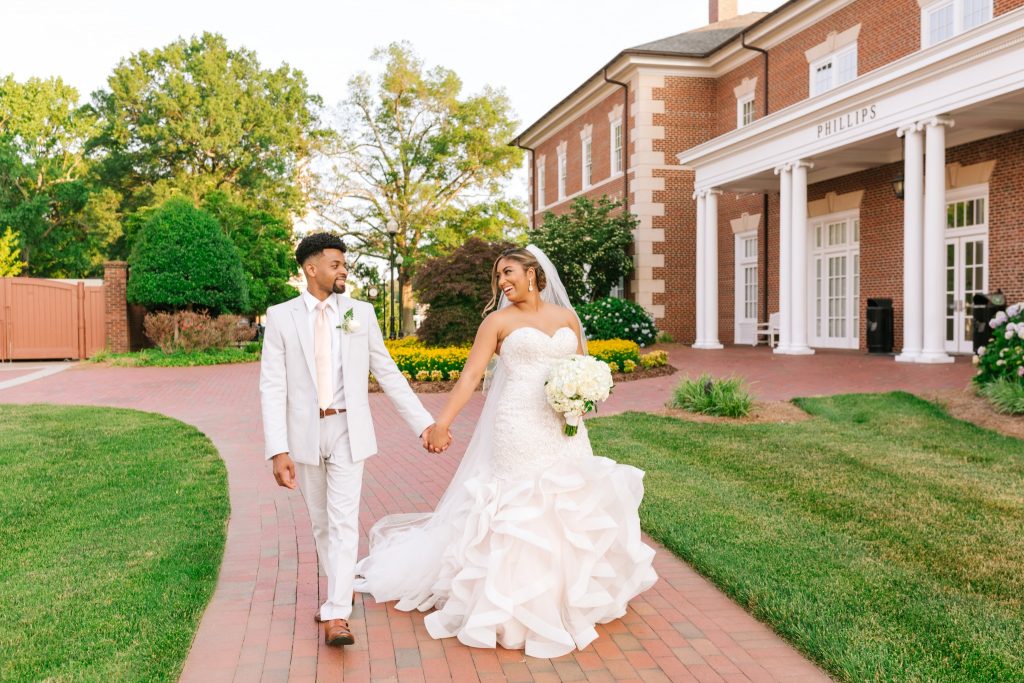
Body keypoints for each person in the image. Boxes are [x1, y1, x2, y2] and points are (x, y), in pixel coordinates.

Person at [355, 245, 657, 658]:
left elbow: (583, 367)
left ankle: (569, 596)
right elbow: (470, 377)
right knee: (519, 508)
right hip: (517, 424)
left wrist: (584, 395)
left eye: (508, 272)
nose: (502, 283)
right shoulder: (496, 322)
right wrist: (441, 423)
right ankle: (513, 605)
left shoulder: (568, 318)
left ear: (533, 273)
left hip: (563, 426)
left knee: (568, 504)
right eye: (498, 277)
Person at [259, 232, 447, 647]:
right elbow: (272, 386)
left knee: (344, 522)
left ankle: (337, 614)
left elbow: (387, 371)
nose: (344, 270)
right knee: (322, 524)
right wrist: (277, 449)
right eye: (336, 264)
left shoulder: (360, 312)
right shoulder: (281, 316)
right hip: (303, 435)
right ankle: (338, 595)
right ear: (311, 269)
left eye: (345, 264)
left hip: (348, 430)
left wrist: (424, 424)